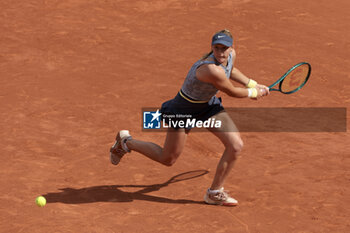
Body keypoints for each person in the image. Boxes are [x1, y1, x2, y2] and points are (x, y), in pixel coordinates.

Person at [110, 29, 269, 206]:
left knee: (236, 145)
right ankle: (126, 142)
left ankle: (214, 192)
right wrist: (254, 92)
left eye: (225, 48)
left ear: (232, 47)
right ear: (212, 48)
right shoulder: (209, 69)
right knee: (168, 159)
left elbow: (230, 70)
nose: (221, 52)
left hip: (207, 107)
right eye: (217, 48)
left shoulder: (230, 56)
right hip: (183, 109)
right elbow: (231, 90)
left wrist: (252, 83)